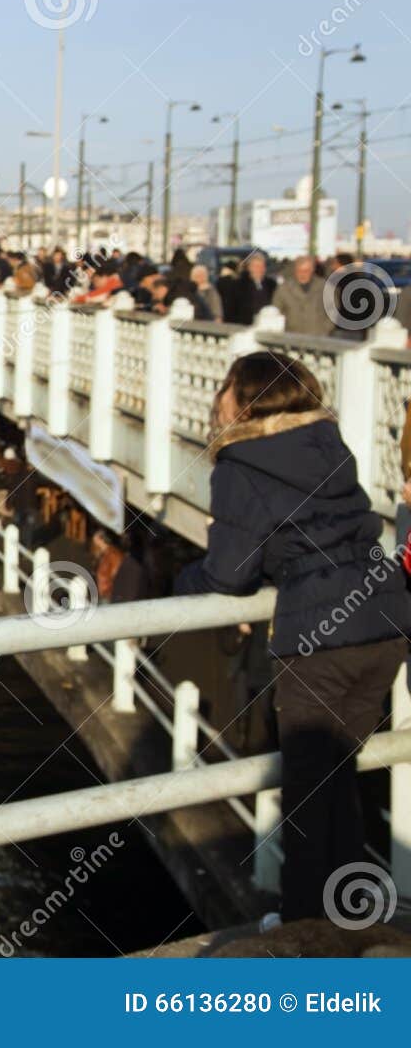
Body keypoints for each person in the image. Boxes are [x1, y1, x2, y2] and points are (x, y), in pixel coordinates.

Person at [175, 351, 409, 924]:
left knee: (306, 798)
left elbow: (230, 573)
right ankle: (351, 919)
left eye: (226, 387)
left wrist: (185, 579)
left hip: (320, 637)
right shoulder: (328, 441)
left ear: (244, 400)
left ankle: (306, 932)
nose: (217, 397)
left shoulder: (238, 462)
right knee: (337, 783)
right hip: (383, 621)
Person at [270, 255, 331, 336]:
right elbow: (275, 311)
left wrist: (325, 329)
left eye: (306, 271)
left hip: (318, 335)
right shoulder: (284, 288)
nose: (303, 274)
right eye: (299, 271)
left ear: (312, 270)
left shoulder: (324, 286)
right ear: (295, 270)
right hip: (291, 335)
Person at [218, 252, 276, 326]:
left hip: (267, 326)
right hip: (244, 327)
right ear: (249, 268)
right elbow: (230, 310)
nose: (260, 269)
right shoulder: (237, 285)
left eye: (262, 266)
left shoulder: (271, 284)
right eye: (256, 266)